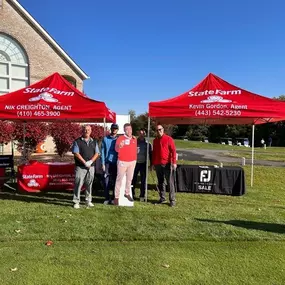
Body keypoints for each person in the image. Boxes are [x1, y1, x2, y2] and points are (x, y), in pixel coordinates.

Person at [72, 125, 100, 209]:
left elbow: (97, 153)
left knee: (89, 184)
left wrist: (91, 161)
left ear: (91, 131)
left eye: (88, 130)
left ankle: (88, 200)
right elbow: (76, 153)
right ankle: (76, 201)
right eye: (85, 130)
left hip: (91, 167)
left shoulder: (94, 141)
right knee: (78, 184)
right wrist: (85, 163)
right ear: (82, 131)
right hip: (80, 167)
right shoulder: (77, 141)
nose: (86, 131)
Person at [152, 124, 177, 207]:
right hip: (157, 164)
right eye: (157, 130)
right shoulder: (155, 140)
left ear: (163, 129)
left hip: (167, 164)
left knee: (170, 182)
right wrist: (152, 164)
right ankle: (162, 198)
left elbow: (173, 151)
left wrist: (174, 162)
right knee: (160, 182)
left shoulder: (169, 139)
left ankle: (172, 200)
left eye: (160, 129)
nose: (159, 131)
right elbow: (154, 153)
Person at [114, 123, 137, 205]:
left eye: (130, 129)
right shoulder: (120, 138)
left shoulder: (134, 139)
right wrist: (119, 146)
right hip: (122, 161)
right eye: (127, 129)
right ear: (124, 130)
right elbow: (116, 149)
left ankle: (127, 193)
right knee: (119, 179)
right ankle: (116, 197)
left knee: (129, 179)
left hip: (132, 162)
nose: (129, 131)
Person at [131, 128, 152, 202]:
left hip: (144, 164)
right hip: (135, 163)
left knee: (143, 180)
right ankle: (132, 194)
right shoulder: (134, 141)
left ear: (145, 134)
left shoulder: (148, 144)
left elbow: (151, 155)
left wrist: (151, 164)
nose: (141, 134)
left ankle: (142, 195)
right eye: (140, 133)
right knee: (133, 179)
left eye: (143, 133)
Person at [101, 123, 119, 205]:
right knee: (106, 181)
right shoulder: (105, 139)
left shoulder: (119, 139)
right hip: (107, 163)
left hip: (116, 163)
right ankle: (107, 198)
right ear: (111, 129)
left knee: (115, 181)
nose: (114, 130)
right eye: (113, 128)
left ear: (117, 130)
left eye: (115, 129)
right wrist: (103, 163)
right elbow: (102, 152)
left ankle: (114, 198)